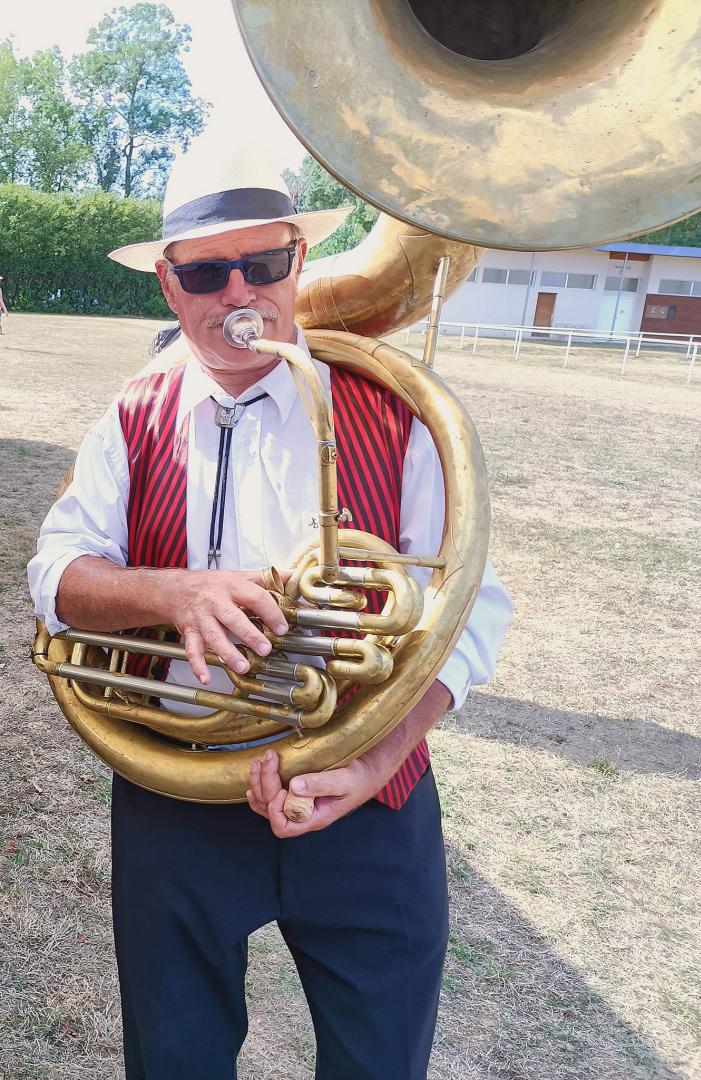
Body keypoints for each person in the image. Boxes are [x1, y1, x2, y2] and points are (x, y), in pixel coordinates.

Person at [28, 133, 512, 1080]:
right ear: (169, 286)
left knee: (379, 1061)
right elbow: (54, 573)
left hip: (365, 798)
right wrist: (171, 593)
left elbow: (473, 614)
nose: (238, 295)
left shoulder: (398, 410)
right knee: (173, 1058)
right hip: (177, 790)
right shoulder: (132, 413)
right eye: (208, 272)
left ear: (299, 260)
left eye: (263, 263)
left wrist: (373, 760)